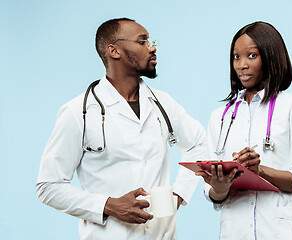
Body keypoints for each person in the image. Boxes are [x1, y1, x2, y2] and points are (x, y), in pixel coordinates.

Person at [36, 18, 207, 240]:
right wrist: (108, 205)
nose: (152, 48)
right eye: (142, 41)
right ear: (114, 50)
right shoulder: (78, 111)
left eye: (150, 41)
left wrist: (179, 194)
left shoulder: (162, 103)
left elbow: (197, 143)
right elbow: (49, 186)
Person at [196, 21, 292, 239]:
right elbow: (212, 194)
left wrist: (259, 171)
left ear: (270, 56)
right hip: (234, 230)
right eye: (236, 57)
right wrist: (220, 186)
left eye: (251, 55)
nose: (241, 64)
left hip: (279, 230)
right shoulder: (220, 117)